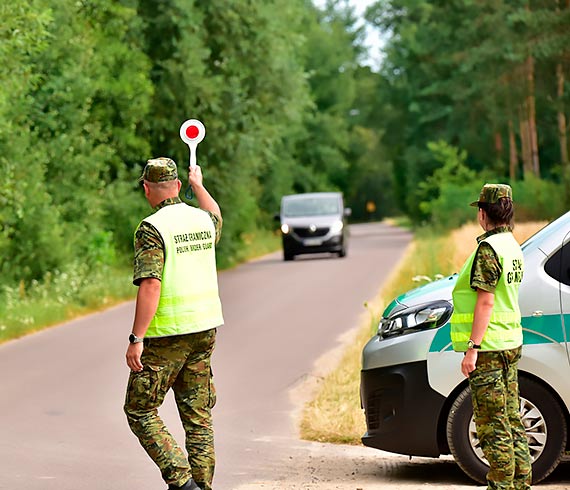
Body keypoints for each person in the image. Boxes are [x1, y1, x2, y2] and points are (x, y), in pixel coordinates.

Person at [124, 157, 224, 490]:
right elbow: (217, 217)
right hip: (205, 329)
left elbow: (151, 283)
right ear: (178, 186)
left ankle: (182, 481)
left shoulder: (152, 228)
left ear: (147, 188)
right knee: (198, 417)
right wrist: (200, 184)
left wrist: (136, 337)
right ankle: (202, 486)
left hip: (168, 335)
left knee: (140, 409)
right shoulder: (201, 222)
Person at [450, 183, 532, 490]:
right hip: (511, 343)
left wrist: (472, 348)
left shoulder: (488, 250)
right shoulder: (512, 245)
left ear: (483, 213)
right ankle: (521, 484)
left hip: (490, 348)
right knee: (511, 420)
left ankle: (501, 487)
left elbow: (486, 301)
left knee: (491, 426)